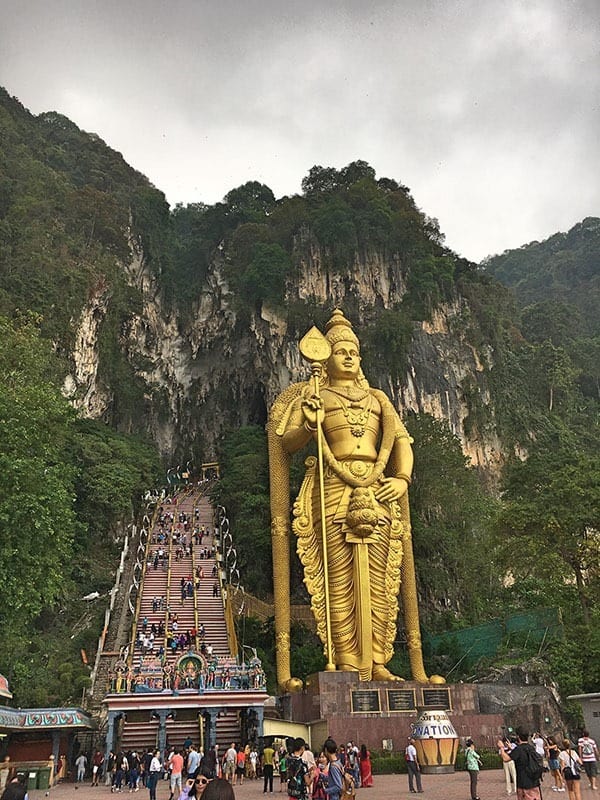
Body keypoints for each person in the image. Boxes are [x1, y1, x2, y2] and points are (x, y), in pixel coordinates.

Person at [269, 309, 438, 687]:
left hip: (378, 487)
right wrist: (311, 422)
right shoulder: (315, 395)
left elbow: (401, 443)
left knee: (380, 577)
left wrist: (403, 479)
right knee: (339, 576)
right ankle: (347, 662)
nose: (348, 356)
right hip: (332, 487)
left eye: (353, 351)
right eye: (340, 350)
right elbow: (287, 442)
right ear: (325, 357)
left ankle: (378, 660)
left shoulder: (378, 399)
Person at [497, 727, 543, 800]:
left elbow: (506, 758)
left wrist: (502, 747)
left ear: (518, 736)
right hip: (534, 781)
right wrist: (511, 748)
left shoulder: (518, 749)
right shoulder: (531, 748)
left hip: (523, 783)